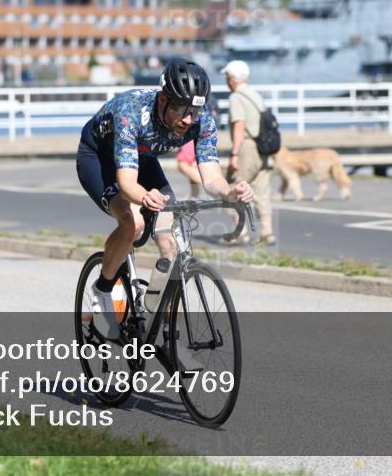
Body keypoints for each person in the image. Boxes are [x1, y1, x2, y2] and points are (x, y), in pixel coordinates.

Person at [76, 57, 253, 339]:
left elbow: (211, 178)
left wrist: (230, 192)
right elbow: (127, 184)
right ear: (162, 99)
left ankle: (165, 329)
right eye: (181, 109)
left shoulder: (201, 119)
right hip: (100, 159)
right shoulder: (131, 111)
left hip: (142, 158)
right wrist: (146, 197)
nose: (187, 119)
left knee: (172, 240)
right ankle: (103, 292)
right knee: (132, 223)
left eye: (194, 110)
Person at [222, 60, 276, 245]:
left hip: (247, 146)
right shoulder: (255, 95)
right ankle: (267, 232)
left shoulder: (236, 97)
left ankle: (240, 232)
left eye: (227, 77)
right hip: (264, 148)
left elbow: (239, 125)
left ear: (231, 79)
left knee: (232, 187)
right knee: (261, 189)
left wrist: (234, 154)